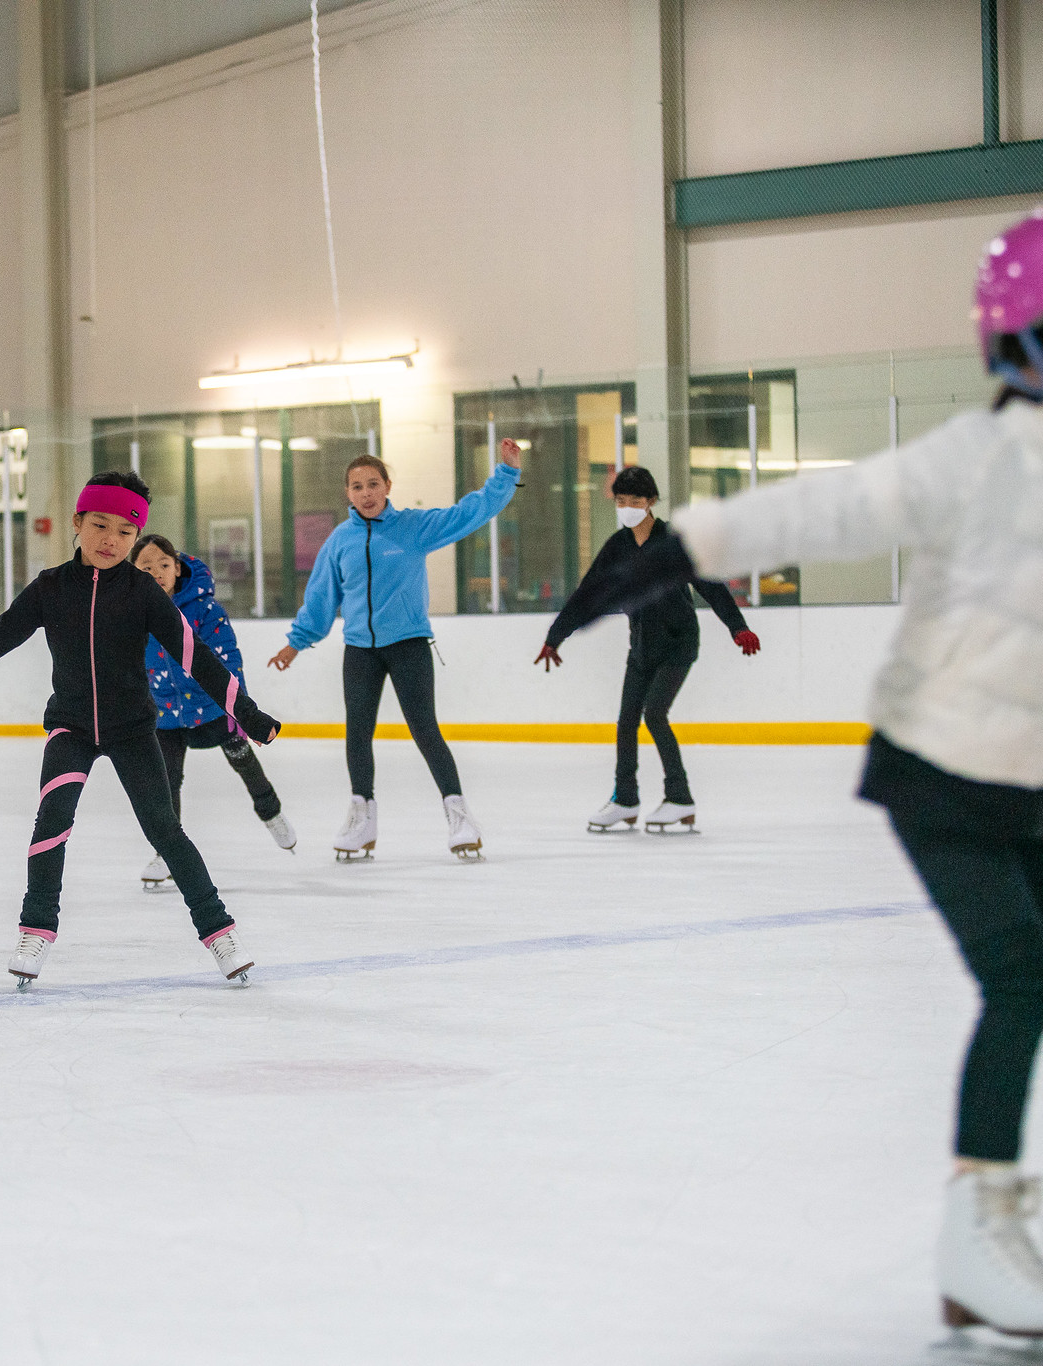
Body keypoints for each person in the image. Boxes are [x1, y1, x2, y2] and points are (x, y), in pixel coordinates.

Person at [587, 208, 1043, 1335]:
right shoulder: (972, 456)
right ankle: (977, 1226)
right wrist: (651, 568)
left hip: (1024, 776)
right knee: (1021, 977)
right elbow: (818, 507)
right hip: (941, 777)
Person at [0, 471, 281, 988]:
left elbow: (197, 658)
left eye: (125, 531)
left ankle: (219, 932)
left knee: (165, 830)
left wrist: (248, 716)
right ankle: (35, 930)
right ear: (77, 523)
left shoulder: (143, 592)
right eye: (100, 525)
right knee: (52, 819)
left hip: (134, 731)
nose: (110, 540)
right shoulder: (51, 589)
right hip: (70, 727)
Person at [270, 442, 523, 862]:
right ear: (347, 494)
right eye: (357, 486)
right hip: (360, 651)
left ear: (388, 486)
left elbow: (471, 512)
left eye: (373, 484)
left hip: (408, 645)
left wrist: (507, 472)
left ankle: (459, 815)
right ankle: (361, 817)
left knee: (425, 729)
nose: (366, 493)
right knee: (357, 735)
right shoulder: (340, 541)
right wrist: (296, 642)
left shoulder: (414, 528)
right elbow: (321, 597)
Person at [533, 464, 760, 834]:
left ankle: (680, 798)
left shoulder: (675, 541)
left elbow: (711, 587)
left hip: (679, 643)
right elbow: (587, 594)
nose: (627, 507)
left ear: (651, 501)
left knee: (654, 714)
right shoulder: (617, 547)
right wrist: (555, 636)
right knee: (626, 722)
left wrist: (738, 628)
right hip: (641, 647)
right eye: (620, 501)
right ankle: (625, 800)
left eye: (634, 500)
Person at [131, 532, 294, 892]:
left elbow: (229, 660)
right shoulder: (131, 614)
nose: (156, 572)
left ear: (177, 567)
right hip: (165, 713)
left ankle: (271, 812)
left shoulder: (205, 611)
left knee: (243, 759)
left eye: (163, 564)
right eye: (146, 567)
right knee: (166, 780)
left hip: (213, 707)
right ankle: (166, 853)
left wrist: (242, 710)